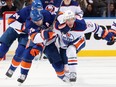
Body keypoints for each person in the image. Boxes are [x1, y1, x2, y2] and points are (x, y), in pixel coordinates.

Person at [53, 10, 115, 82]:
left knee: (71, 50)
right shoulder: (58, 26)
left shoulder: (81, 25)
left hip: (79, 41)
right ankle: (66, 74)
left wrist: (107, 36)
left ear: (74, 19)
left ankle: (73, 73)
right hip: (64, 44)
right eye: (68, 20)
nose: (70, 22)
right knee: (64, 66)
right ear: (64, 21)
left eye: (72, 19)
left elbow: (95, 27)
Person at [0, 0, 42, 76]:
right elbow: (10, 20)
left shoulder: (44, 14)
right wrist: (23, 27)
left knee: (20, 52)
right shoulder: (25, 11)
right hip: (15, 29)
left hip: (27, 34)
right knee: (2, 48)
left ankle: (11, 69)